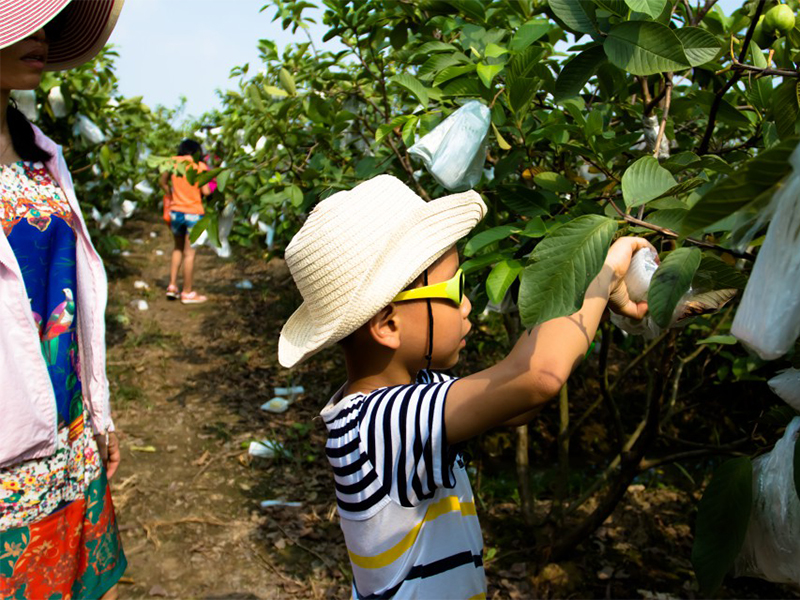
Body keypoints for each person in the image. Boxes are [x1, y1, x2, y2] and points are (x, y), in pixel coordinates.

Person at [278, 174, 653, 598]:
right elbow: (538, 376)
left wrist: (598, 300)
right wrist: (603, 269)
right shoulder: (380, 424)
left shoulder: (409, 394)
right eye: (455, 287)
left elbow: (518, 403)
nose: (469, 303)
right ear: (387, 324)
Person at [0, 1, 127, 598]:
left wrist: (98, 412)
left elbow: (72, 295)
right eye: (25, 17)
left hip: (65, 426)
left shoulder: (42, 155)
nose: (43, 36)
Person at [159, 138, 211, 304]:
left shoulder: (172, 163)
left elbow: (162, 182)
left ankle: (172, 286)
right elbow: (206, 191)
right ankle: (187, 292)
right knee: (190, 254)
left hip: (175, 212)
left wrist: (171, 194)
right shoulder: (200, 167)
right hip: (193, 213)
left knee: (177, 249)